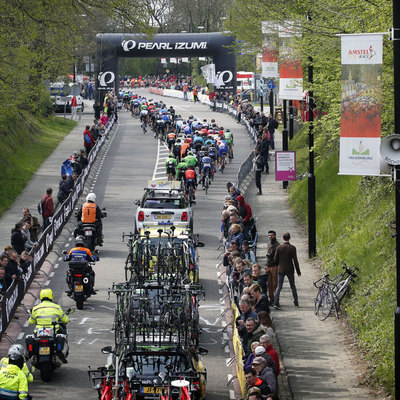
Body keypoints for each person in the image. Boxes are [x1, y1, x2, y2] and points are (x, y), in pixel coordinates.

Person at [28, 288, 69, 362]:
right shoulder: (57, 307)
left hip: (39, 332)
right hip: (54, 331)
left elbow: (30, 322)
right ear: (51, 296)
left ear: (41, 297)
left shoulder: (36, 308)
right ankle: (60, 353)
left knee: (32, 339)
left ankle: (32, 354)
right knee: (63, 334)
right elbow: (65, 320)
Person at [273, 232, 301, 308]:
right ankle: (296, 301)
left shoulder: (279, 247)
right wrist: (298, 271)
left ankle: (276, 302)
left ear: (283, 238)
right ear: (289, 238)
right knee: (292, 286)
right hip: (290, 269)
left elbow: (275, 259)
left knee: (279, 287)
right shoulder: (292, 248)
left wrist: (277, 265)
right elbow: (295, 260)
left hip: (281, 269)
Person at [265, 230, 280, 305]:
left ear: (275, 235)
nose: (270, 237)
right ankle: (271, 299)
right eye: (269, 235)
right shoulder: (268, 243)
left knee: (275, 284)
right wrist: (266, 265)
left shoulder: (277, 245)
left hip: (274, 266)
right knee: (269, 284)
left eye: (272, 235)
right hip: (268, 265)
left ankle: (276, 299)